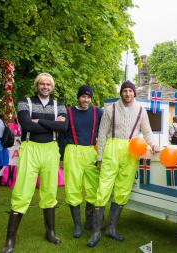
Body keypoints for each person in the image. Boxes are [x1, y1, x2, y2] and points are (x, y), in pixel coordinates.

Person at [1, 73, 68, 253]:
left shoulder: (59, 104)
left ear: (52, 87)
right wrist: (52, 122)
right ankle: (10, 241)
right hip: (30, 148)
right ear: (36, 85)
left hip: (51, 149)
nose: (45, 87)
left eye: (48, 84)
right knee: (22, 192)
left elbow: (63, 127)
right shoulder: (25, 101)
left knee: (49, 192)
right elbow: (27, 125)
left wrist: (39, 121)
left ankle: (50, 233)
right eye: (42, 84)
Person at [87, 80, 159, 247]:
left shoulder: (141, 110)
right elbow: (102, 133)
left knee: (123, 189)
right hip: (112, 147)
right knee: (103, 188)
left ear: (134, 93)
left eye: (130, 91)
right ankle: (96, 231)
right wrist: (99, 157)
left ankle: (111, 228)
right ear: (121, 93)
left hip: (130, 150)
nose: (128, 93)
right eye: (125, 91)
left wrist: (153, 144)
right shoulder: (110, 109)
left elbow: (147, 131)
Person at [60, 85, 103, 238]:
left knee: (93, 188)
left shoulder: (97, 112)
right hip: (73, 150)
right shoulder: (68, 111)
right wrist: (61, 155)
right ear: (78, 97)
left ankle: (89, 221)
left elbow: (107, 127)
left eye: (88, 97)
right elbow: (61, 135)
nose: (86, 99)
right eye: (83, 96)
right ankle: (77, 225)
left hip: (91, 151)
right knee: (73, 188)